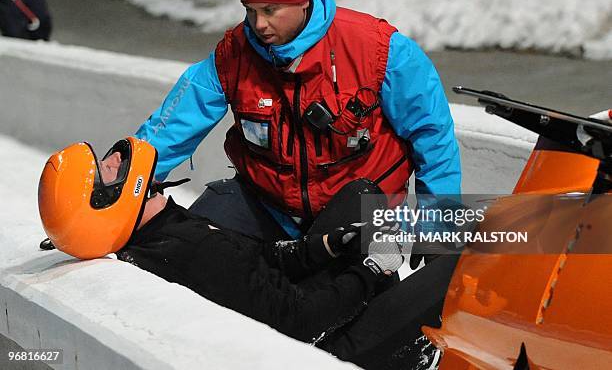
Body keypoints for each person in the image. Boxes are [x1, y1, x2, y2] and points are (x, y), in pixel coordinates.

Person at [135, 0, 461, 242]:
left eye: (271, 10)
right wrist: (123, 179)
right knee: (188, 246)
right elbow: (171, 127)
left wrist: (439, 227)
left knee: (343, 300)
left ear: (302, 1)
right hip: (270, 210)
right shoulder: (233, 55)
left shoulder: (379, 50)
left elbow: (433, 133)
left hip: (361, 219)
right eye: (250, 10)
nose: (259, 24)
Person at [38, 137, 459, 369]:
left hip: (297, 307)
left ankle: (394, 303)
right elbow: (299, 321)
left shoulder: (164, 229)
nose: (116, 158)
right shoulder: (192, 251)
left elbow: (263, 262)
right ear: (106, 204)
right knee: (463, 261)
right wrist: (368, 271)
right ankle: (408, 351)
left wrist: (325, 247)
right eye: (107, 169)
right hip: (325, 349)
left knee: (361, 195)